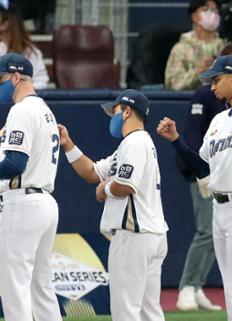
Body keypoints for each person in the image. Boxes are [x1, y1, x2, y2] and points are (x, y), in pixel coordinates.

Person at [157, 55, 232, 321]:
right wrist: (177, 141)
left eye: (216, 79)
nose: (211, 86)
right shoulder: (219, 121)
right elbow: (203, 168)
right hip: (220, 208)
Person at [58, 89, 168, 321]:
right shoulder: (133, 144)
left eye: (116, 111)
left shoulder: (135, 142)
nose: (113, 118)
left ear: (127, 111)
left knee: (125, 310)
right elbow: (92, 172)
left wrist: (104, 190)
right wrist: (68, 145)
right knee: (149, 311)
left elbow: (125, 185)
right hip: (150, 233)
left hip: (135, 234)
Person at [0, 53, 62, 321]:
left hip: (23, 204)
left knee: (15, 288)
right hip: (44, 202)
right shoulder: (45, 110)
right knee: (41, 287)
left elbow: (14, 164)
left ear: (16, 77)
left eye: (0, 78)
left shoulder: (21, 110)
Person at [175, 44, 232, 311]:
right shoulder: (206, 94)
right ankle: (187, 286)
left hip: (228, 178)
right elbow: (194, 133)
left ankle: (196, 286)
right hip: (205, 174)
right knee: (206, 231)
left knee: (214, 234)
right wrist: (199, 173)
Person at [164, 0, 227, 91]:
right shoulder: (181, 49)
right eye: (205, 9)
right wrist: (198, 71)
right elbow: (172, 84)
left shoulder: (225, 47)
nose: (212, 14)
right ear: (194, 16)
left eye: (215, 10)